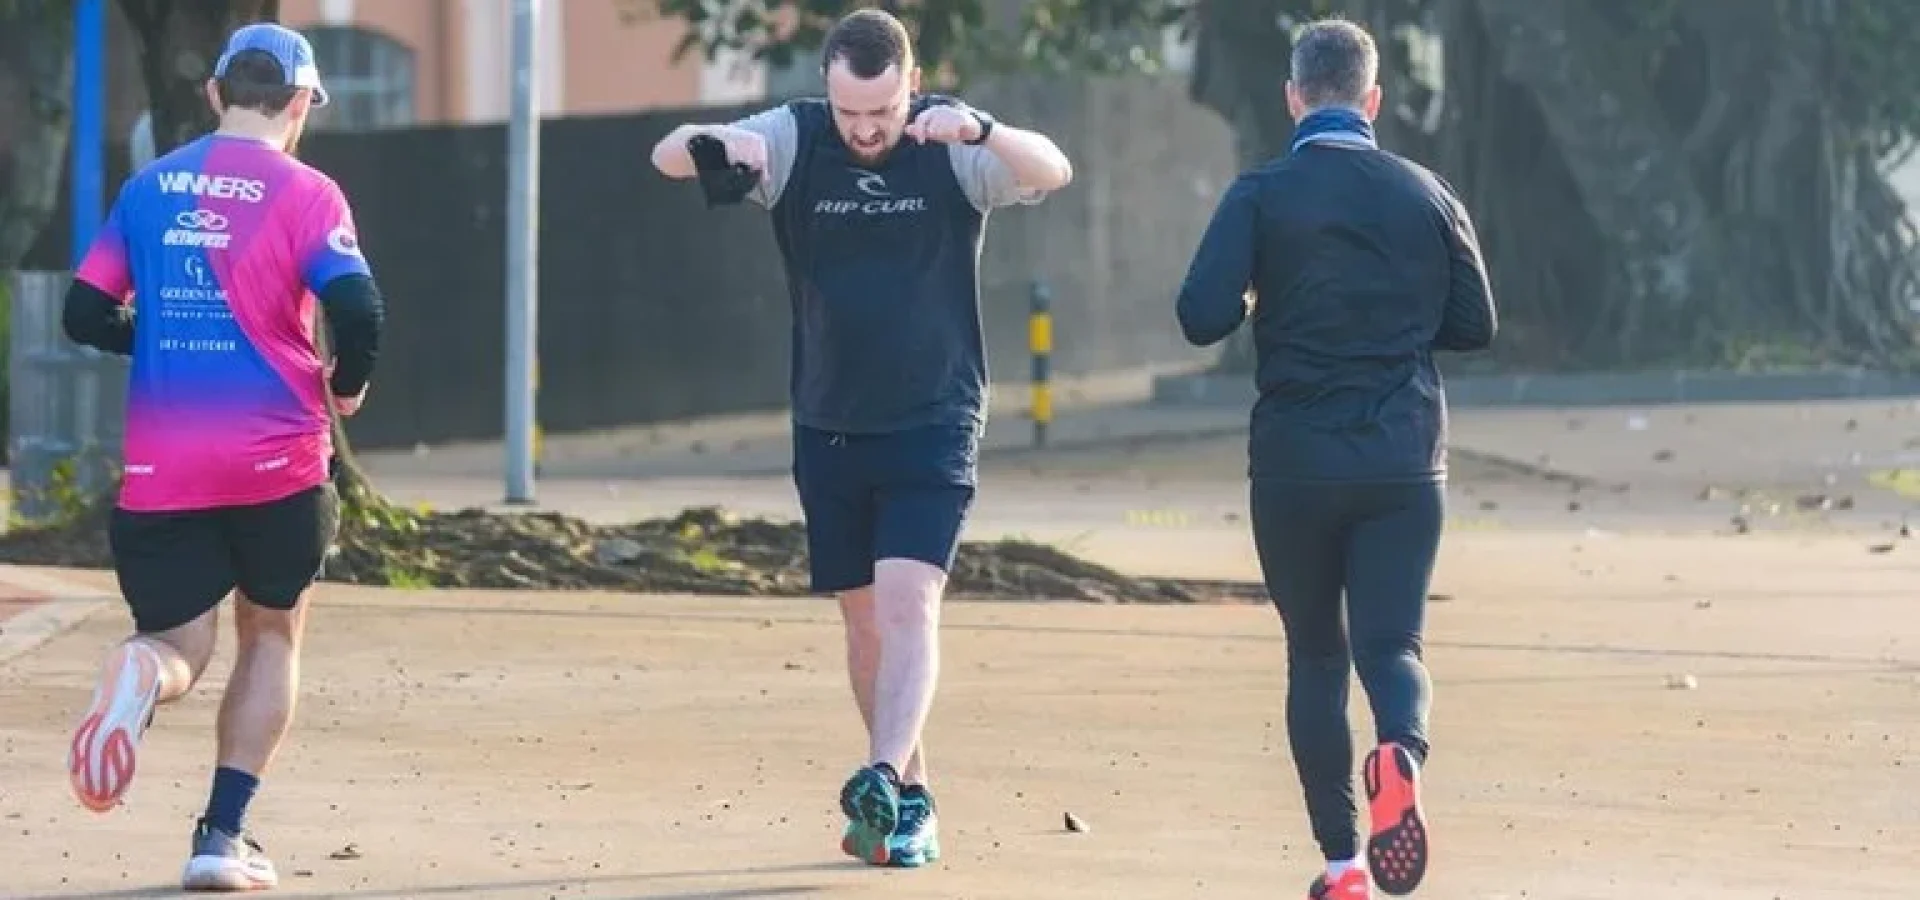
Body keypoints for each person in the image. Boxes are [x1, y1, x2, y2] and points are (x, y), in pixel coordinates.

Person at [650, 7, 1072, 869]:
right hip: (828, 420)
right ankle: (911, 799)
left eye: (881, 110)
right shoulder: (795, 136)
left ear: (912, 83)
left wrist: (984, 130)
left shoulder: (949, 140)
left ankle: (878, 773)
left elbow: (1053, 169)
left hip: (935, 416)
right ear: (827, 92)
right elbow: (666, 156)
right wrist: (720, 142)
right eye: (850, 112)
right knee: (865, 621)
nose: (867, 129)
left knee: (910, 601)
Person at [1173, 18, 1496, 900]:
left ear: (1293, 97)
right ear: (1373, 99)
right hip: (1403, 461)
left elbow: (1199, 316)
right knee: (1393, 646)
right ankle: (1400, 753)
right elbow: (1476, 324)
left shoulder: (1259, 194)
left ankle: (1344, 864)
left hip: (1294, 465)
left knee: (1316, 658)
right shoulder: (1427, 191)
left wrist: (1255, 294)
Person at [61, 22, 385, 893]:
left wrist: (155, 340)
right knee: (272, 631)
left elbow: (84, 313)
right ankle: (221, 836)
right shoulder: (310, 193)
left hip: (165, 461)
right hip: (278, 459)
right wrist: (347, 386)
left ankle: (142, 673)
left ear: (215, 93)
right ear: (301, 102)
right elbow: (360, 311)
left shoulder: (149, 188)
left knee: (176, 641)